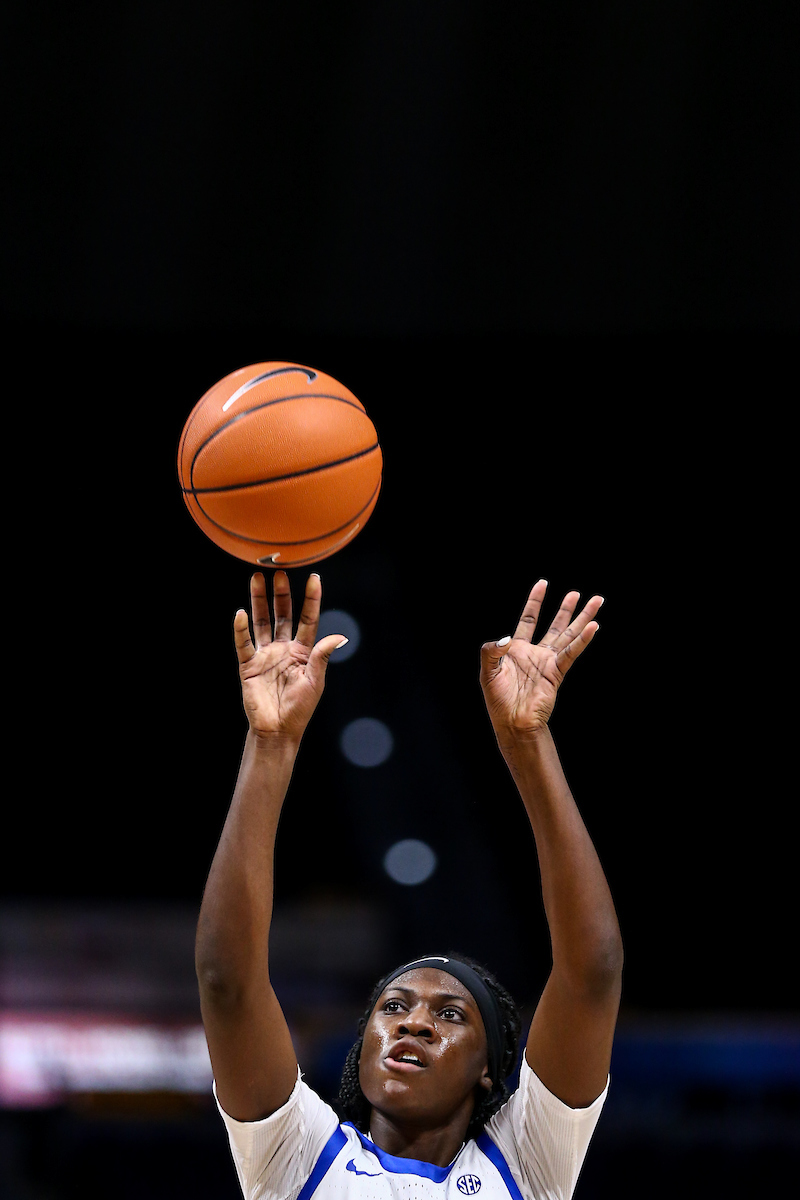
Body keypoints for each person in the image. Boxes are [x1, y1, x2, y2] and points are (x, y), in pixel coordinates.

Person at [195, 570, 623, 1200]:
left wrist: (527, 742)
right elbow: (227, 983)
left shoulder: (526, 1160)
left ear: (487, 1071)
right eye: (392, 1008)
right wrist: (271, 743)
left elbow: (593, 972)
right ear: (363, 1043)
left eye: (449, 1015)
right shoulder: (299, 1154)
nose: (413, 1025)